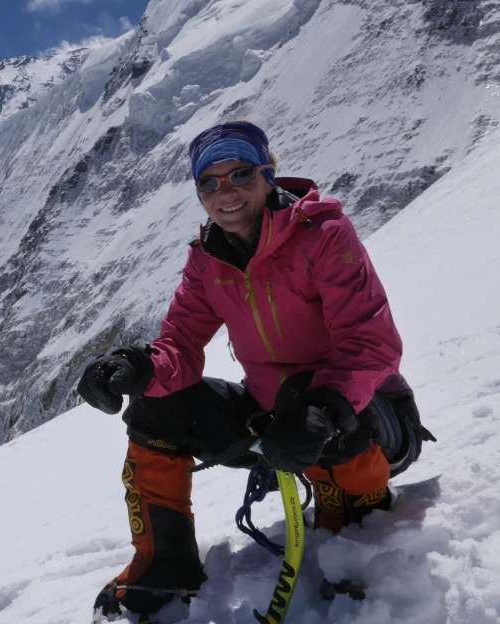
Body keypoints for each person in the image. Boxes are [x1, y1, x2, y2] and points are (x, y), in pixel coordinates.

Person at [77, 121, 433, 620]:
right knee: (158, 403)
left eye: (240, 173)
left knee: (308, 393)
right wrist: (135, 368)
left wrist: (324, 408)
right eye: (210, 182)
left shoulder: (325, 235)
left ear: (269, 174)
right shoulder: (208, 259)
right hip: (275, 421)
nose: (226, 192)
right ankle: (164, 569)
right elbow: (179, 344)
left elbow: (370, 343)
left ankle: (356, 535)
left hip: (369, 418)